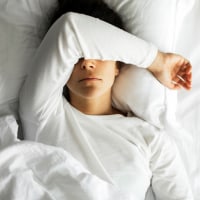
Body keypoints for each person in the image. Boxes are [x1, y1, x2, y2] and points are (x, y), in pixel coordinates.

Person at [19, 0, 193, 199]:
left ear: (119, 63)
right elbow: (70, 29)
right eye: (76, 57)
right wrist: (158, 62)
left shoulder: (151, 139)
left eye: (98, 53)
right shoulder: (42, 112)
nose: (87, 63)